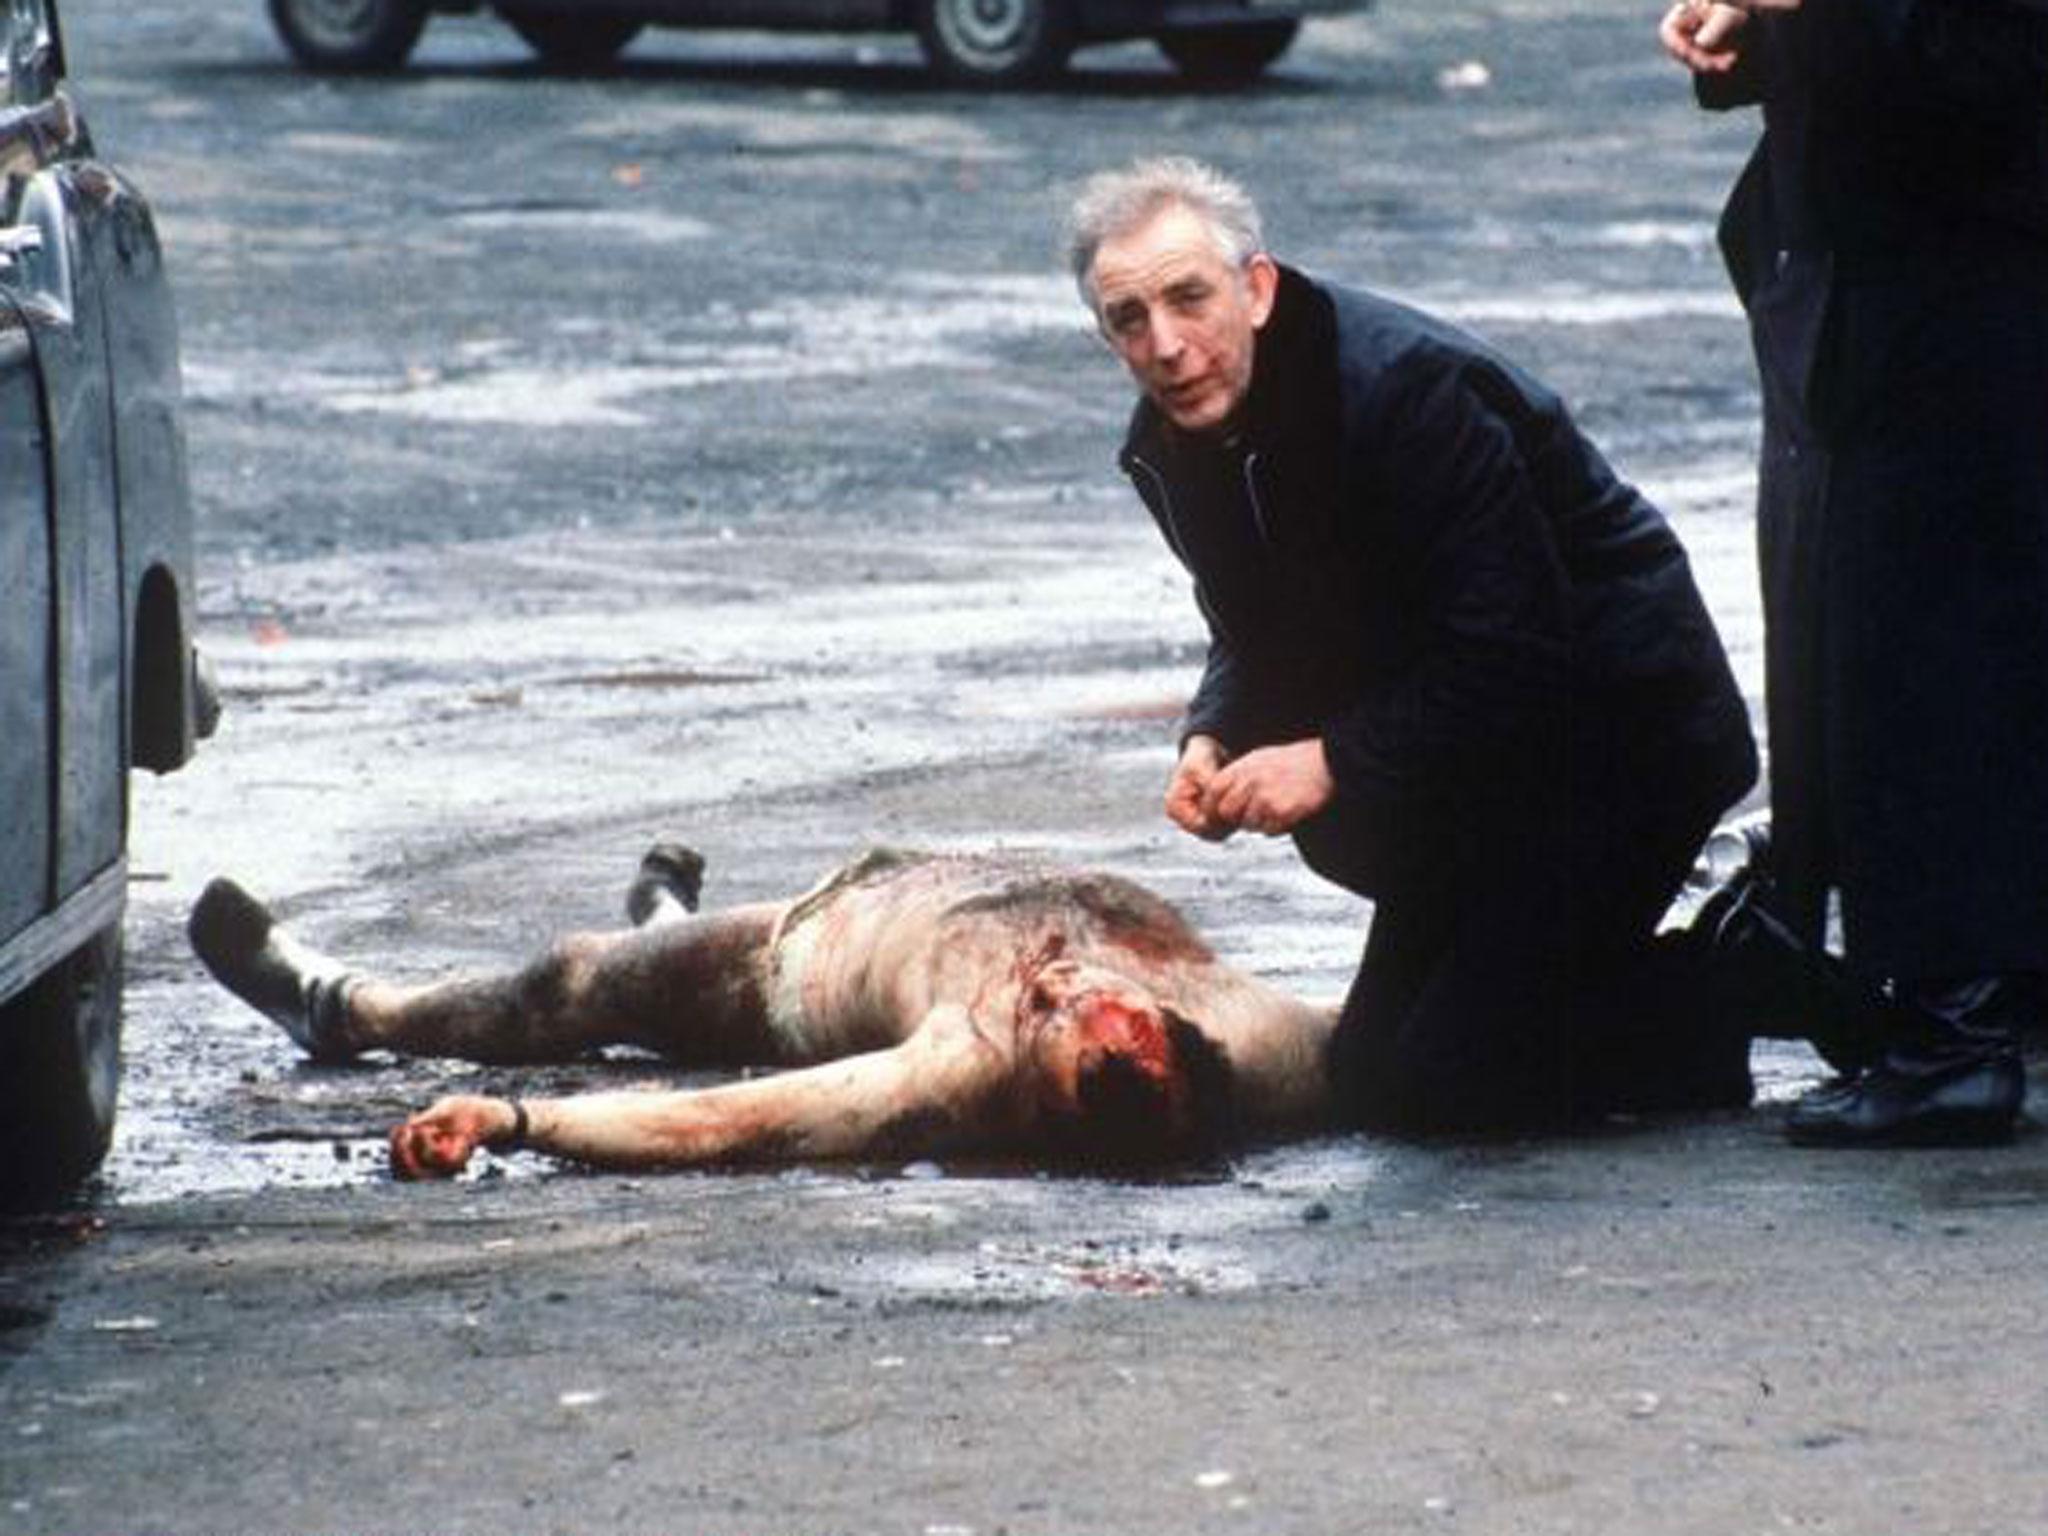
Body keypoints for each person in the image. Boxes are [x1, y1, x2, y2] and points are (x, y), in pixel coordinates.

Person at [1066, 158, 1762, 1136]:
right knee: (1368, 1079)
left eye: (1188, 298)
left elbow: (1518, 650)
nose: (1166, 346)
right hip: (1482, 766)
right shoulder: (1172, 440)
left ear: (1255, 288)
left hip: (1619, 749)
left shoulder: (1404, 394)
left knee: (1447, 1088)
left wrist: (1333, 758)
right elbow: (1250, 623)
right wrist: (1213, 732)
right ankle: (1591, 981)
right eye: (1127, 320)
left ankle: (1731, 978)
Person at [1660, 0, 2048, 1145]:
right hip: (1877, 272)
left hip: (1956, 280)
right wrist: (1755, 44)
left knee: (1922, 648)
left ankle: (1949, 1034)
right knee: (1886, 636)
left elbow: (1987, 56)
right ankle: (1970, 996)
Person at [187, 843, 1337, 1177]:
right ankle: (658, 918)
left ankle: (344, 1008)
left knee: (579, 989)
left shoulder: (960, 1066)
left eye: (1060, 1017)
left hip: (801, 954)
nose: (1077, 985)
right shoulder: (1252, 1035)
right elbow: (1439, 1027)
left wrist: (516, 1122)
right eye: (1105, 998)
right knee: (639, 965)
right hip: (916, 864)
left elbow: (726, 1123)